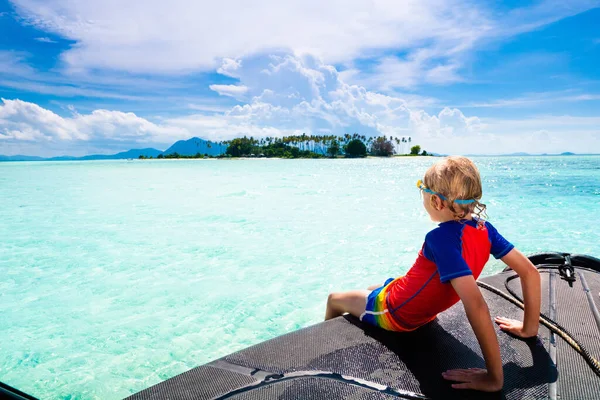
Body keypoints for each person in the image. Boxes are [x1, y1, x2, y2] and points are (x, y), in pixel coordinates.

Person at [324, 156, 541, 392]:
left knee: (335, 298)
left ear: (436, 201)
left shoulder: (439, 239)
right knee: (377, 286)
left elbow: (477, 305)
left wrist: (494, 378)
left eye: (422, 190)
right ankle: (373, 294)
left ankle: (322, 346)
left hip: (396, 313)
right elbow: (530, 273)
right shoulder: (484, 230)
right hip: (409, 297)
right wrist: (529, 329)